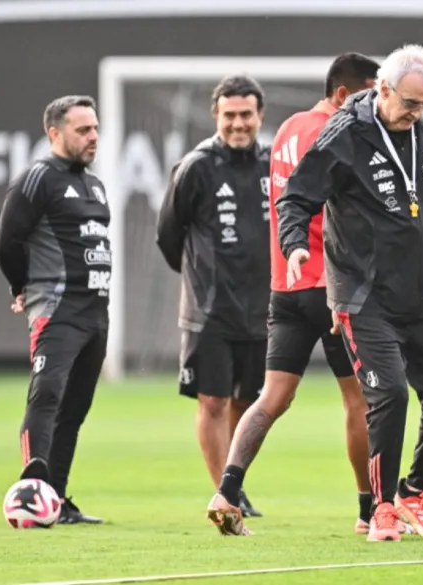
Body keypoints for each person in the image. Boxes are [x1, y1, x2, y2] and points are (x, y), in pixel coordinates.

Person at [277, 44, 423, 542]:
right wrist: (295, 246)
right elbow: (296, 199)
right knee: (389, 393)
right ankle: (382, 509)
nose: (418, 113)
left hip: (420, 293)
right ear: (382, 88)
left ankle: (415, 491)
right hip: (363, 295)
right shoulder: (345, 135)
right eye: (410, 103)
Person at [206, 52, 383, 538]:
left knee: (272, 397)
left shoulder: (287, 129)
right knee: (361, 401)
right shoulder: (340, 132)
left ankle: (227, 491)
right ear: (344, 94)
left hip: (287, 285)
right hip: (332, 287)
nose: (378, 105)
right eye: (372, 94)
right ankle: (370, 510)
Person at [156, 75, 272, 519]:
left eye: (246, 115)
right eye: (230, 115)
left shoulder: (273, 164)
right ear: (215, 117)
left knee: (249, 402)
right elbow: (168, 235)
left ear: (260, 115)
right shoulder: (195, 167)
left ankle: (234, 482)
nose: (238, 123)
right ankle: (227, 495)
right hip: (209, 310)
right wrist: (199, 279)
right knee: (213, 400)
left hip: (264, 309)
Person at [0, 94, 110, 525]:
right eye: (83, 130)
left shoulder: (94, 183)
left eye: (95, 128)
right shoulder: (37, 179)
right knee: (46, 395)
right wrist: (21, 286)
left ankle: (56, 500)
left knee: (74, 409)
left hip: (96, 312)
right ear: (54, 133)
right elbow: (7, 242)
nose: (93, 136)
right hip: (58, 307)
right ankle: (32, 490)